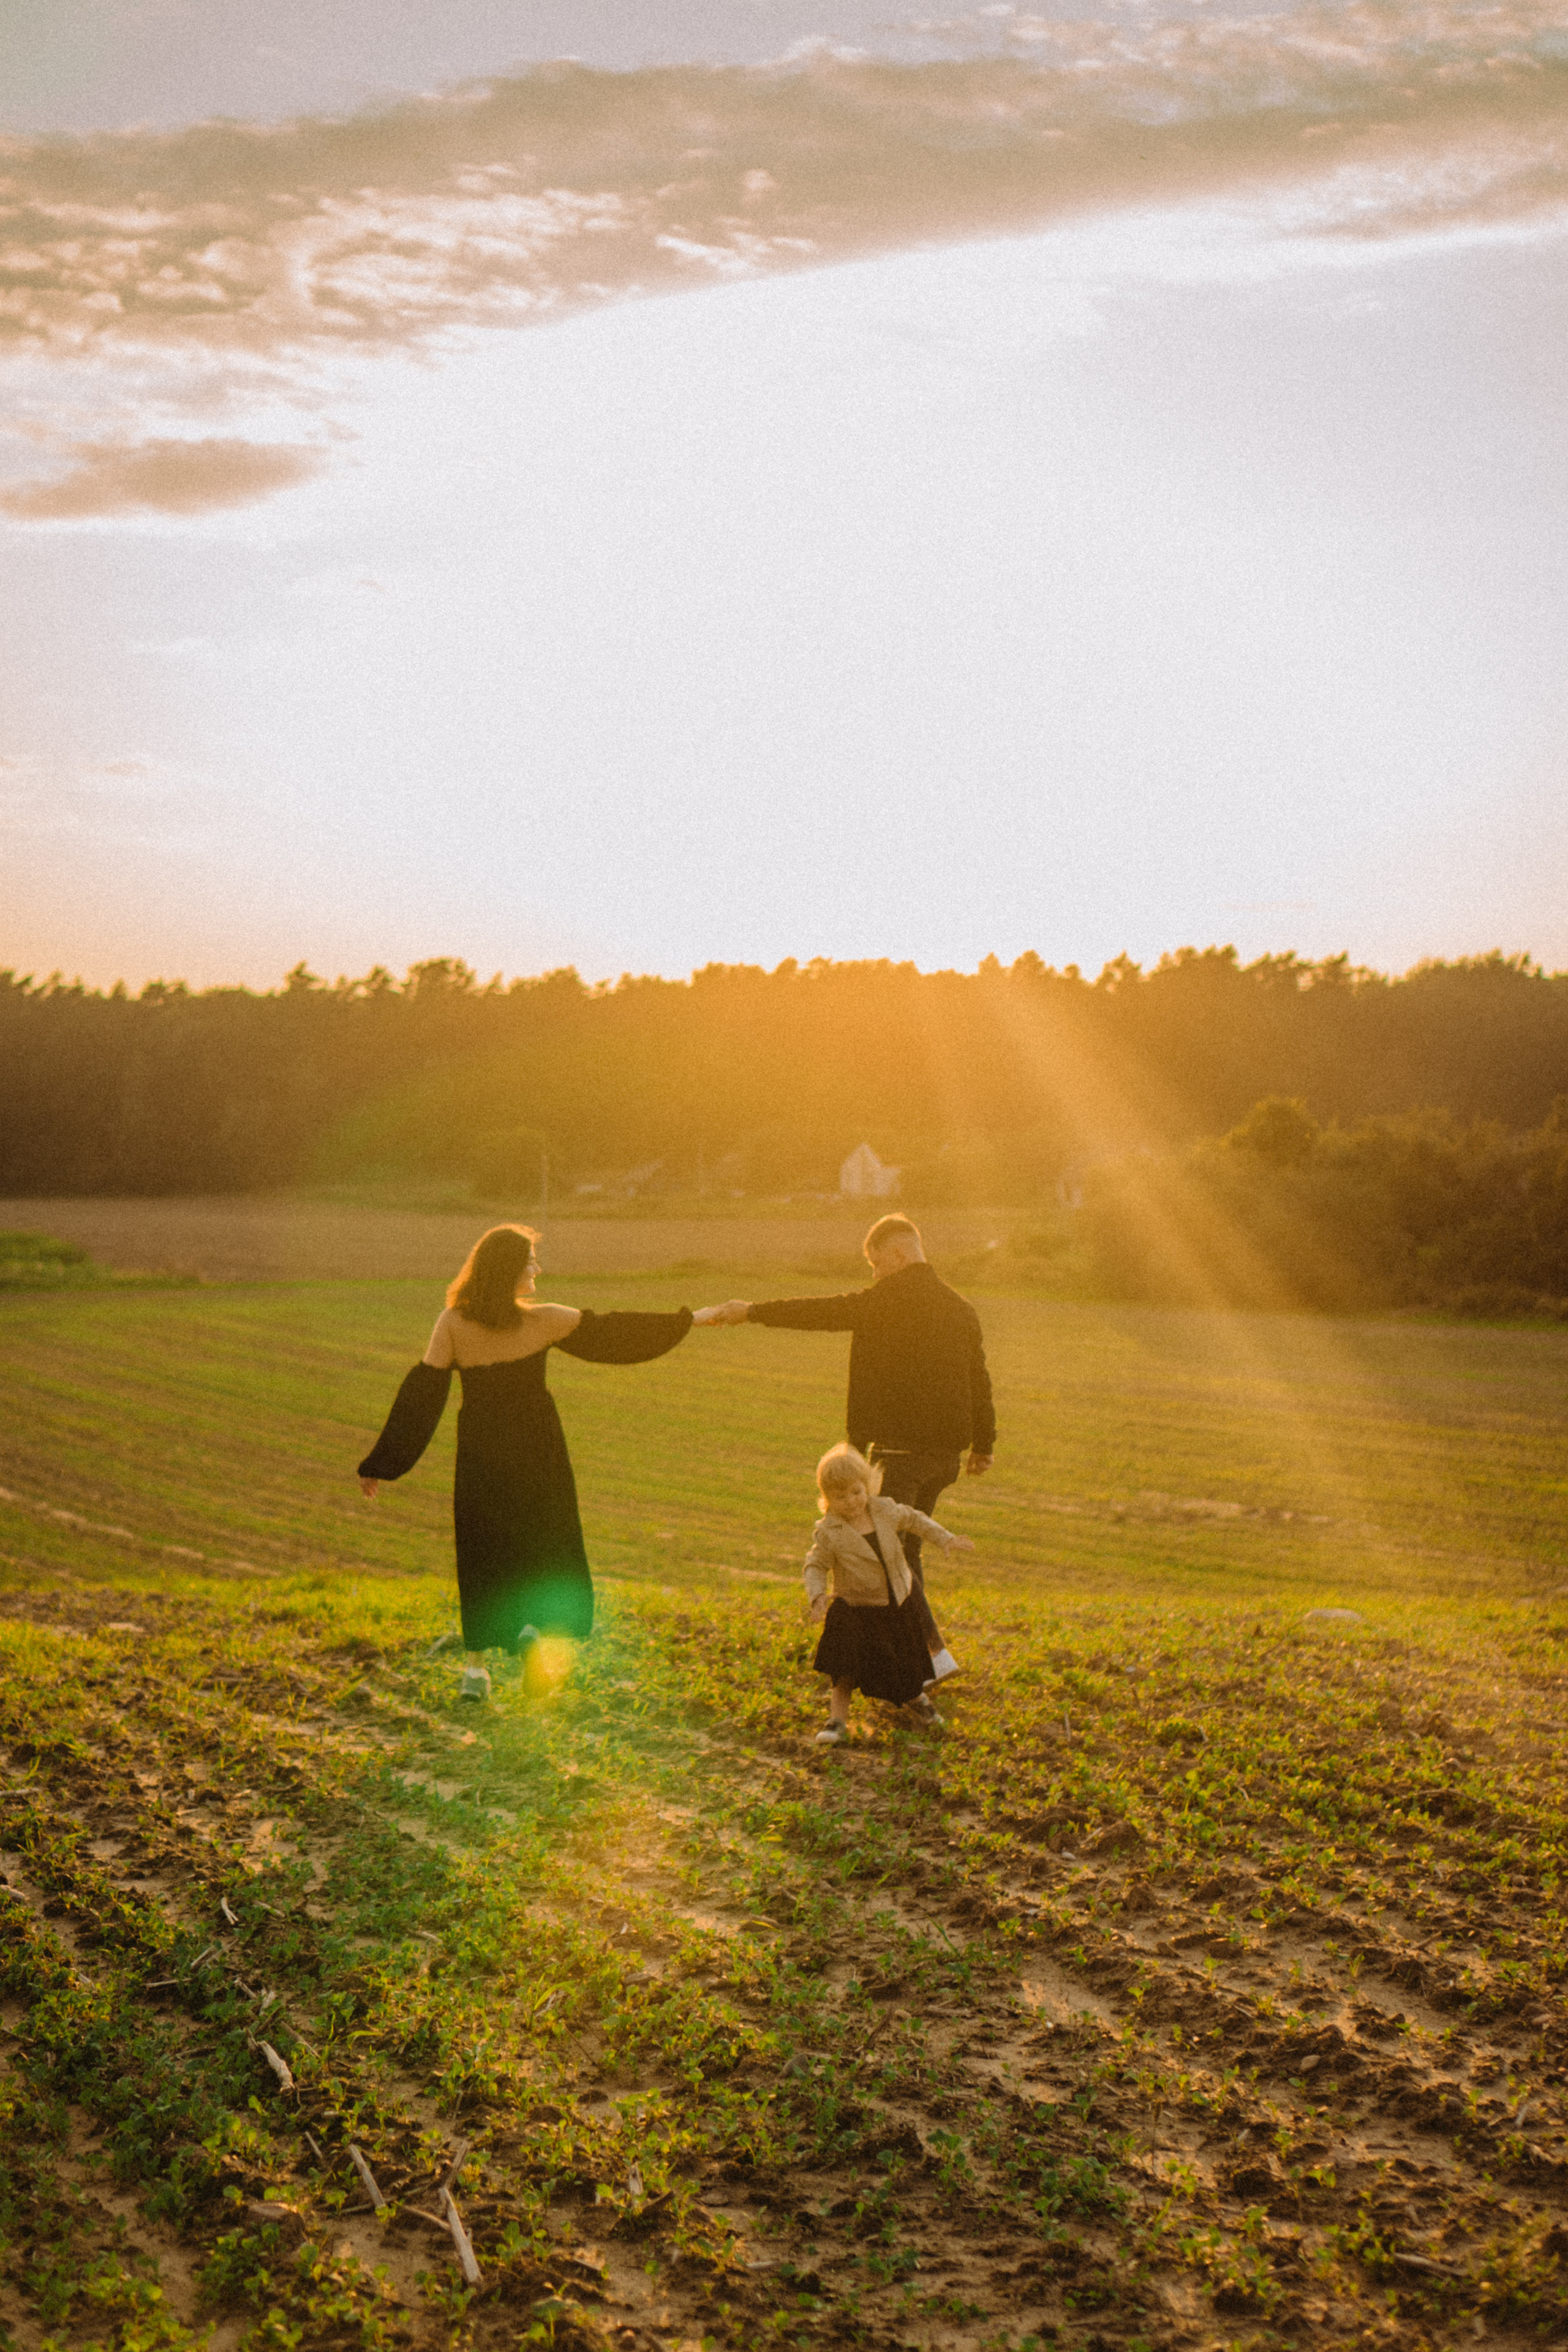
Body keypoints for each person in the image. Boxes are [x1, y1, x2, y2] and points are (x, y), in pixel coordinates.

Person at [358, 1223, 717, 1702]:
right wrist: (688, 1320)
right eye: (530, 1261)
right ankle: (538, 1640)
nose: (538, 1269)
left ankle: (475, 1675)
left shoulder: (453, 1324)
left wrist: (383, 1463)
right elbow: (618, 1334)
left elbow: (422, 1397)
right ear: (508, 1268)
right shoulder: (544, 1320)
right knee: (548, 1546)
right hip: (539, 1451)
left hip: (483, 1454)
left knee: (484, 1551)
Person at [701, 1215, 994, 1684]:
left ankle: (930, 1661)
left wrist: (752, 1310)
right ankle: (929, 1656)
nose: (875, 1276)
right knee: (903, 1551)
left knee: (889, 1556)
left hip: (899, 1453)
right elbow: (979, 1378)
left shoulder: (888, 1301)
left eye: (877, 1265)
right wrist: (984, 1443)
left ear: (898, 1257)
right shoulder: (960, 1308)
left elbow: (822, 1312)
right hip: (944, 1458)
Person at [805, 1443, 974, 1746]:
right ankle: (836, 1721)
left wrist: (944, 1538)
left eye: (856, 1492)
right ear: (828, 1499)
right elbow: (815, 1564)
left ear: (867, 1485)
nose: (851, 1502)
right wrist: (817, 1595)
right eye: (840, 1497)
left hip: (896, 1603)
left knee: (903, 1663)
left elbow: (915, 1519)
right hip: (854, 1607)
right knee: (844, 1668)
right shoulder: (830, 1531)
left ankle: (919, 1703)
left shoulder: (884, 1510)